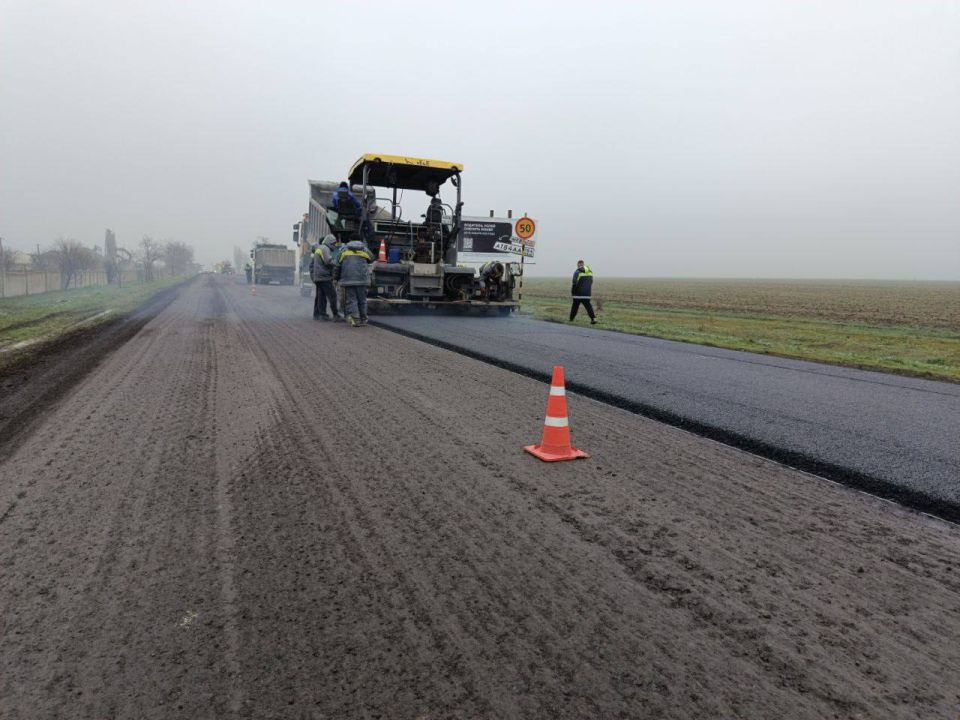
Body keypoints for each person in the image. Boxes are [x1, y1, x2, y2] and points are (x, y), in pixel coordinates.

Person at [334, 239, 374, 326]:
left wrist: (336, 277)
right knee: (362, 300)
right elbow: (372, 259)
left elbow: (337, 266)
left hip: (348, 280)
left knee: (352, 300)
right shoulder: (364, 249)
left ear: (350, 240)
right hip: (362, 280)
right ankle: (363, 319)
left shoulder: (343, 250)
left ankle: (356, 320)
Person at [310, 234, 340, 321]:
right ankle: (336, 315)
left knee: (321, 297)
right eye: (334, 244)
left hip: (319, 277)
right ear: (330, 242)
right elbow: (328, 261)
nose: (334, 246)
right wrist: (337, 264)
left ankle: (321, 315)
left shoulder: (320, 248)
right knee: (332, 296)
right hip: (324, 277)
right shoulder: (325, 249)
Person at [570, 259, 597, 324]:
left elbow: (574, 282)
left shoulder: (577, 271)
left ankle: (571, 319)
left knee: (575, 307)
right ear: (583, 264)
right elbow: (591, 282)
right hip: (587, 293)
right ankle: (593, 319)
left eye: (578, 264)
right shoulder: (590, 272)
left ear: (578, 264)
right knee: (588, 307)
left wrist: (573, 292)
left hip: (577, 294)